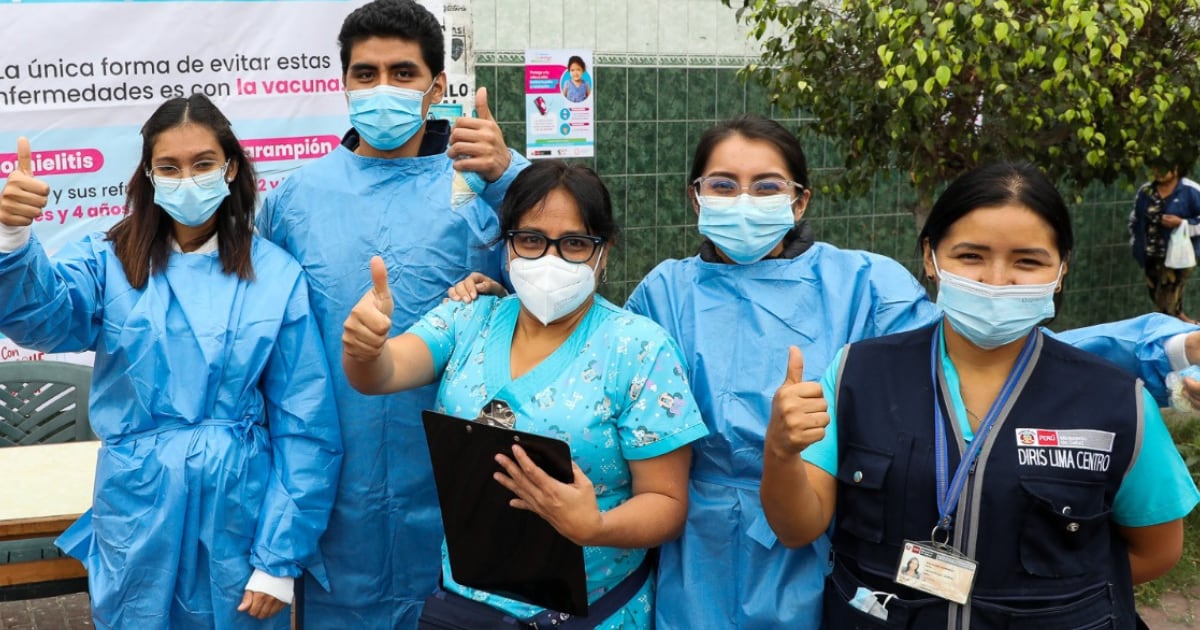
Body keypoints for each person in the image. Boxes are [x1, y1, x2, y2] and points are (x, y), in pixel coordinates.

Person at [449, 115, 1200, 629]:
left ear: (802, 197)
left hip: (820, 528)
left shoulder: (862, 285)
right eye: (722, 184)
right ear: (694, 196)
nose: (744, 202)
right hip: (695, 543)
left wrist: (1155, 346)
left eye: (767, 185)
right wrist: (497, 296)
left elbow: (991, 358)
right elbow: (586, 336)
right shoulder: (667, 290)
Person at [764, 162, 1200, 627]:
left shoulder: (1117, 401)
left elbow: (1156, 551)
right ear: (931, 258)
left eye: (1027, 261)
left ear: (1061, 269)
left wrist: (1036, 601)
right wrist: (781, 449)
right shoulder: (858, 374)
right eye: (970, 256)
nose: (997, 279)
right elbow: (798, 526)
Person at [0, 94, 342, 629]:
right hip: (138, 506)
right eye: (170, 166)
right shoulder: (109, 260)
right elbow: (44, 317)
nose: (188, 179)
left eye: (203, 163)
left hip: (239, 512)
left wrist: (279, 558)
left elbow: (306, 426)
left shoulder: (275, 275)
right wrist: (13, 236)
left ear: (230, 168)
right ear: (149, 174)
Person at [255, 0, 530, 625]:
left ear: (437, 86)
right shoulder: (297, 198)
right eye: (366, 73)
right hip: (333, 480)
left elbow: (567, 272)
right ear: (343, 82)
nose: (384, 88)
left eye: (404, 74)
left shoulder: (484, 189)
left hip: (458, 473)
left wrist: (511, 178)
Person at [342, 160, 708, 628]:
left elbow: (667, 503)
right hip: (465, 608)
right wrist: (363, 348)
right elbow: (380, 373)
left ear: (605, 250)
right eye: (531, 240)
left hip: (592, 612)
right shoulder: (467, 319)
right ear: (507, 243)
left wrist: (595, 527)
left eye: (575, 243)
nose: (550, 260)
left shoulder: (638, 349)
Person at [1129, 162, 1200, 322]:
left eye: (1163, 168)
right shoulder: (1146, 191)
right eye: (1155, 167)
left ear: (1176, 168)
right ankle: (1187, 324)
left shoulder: (1190, 191)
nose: (1158, 172)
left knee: (1167, 301)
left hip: (1178, 257)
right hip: (1151, 255)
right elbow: (1135, 219)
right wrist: (1136, 243)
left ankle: (1171, 336)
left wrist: (1182, 223)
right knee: (1158, 297)